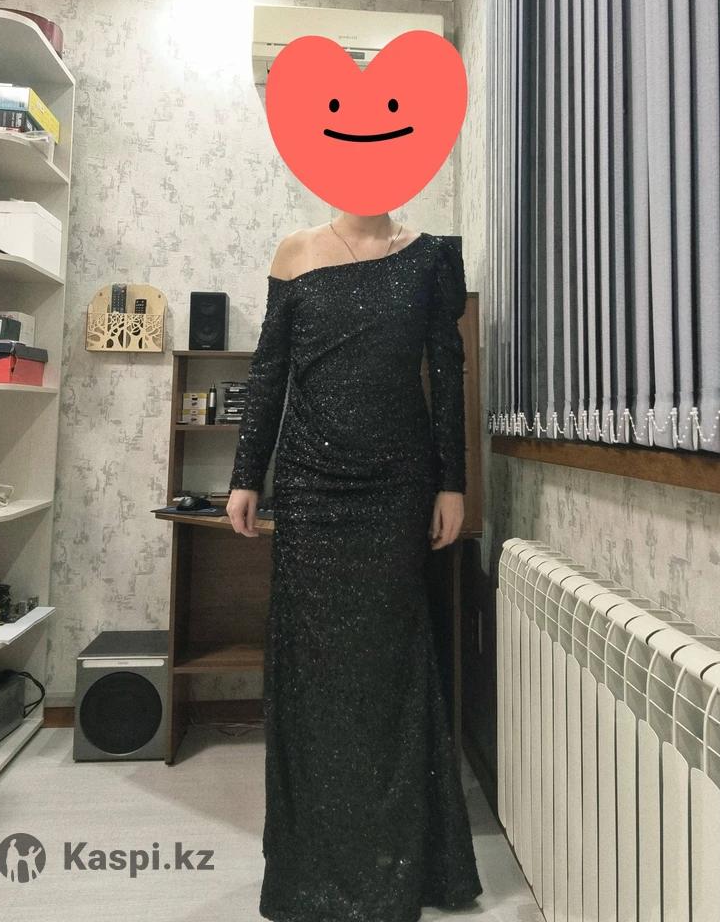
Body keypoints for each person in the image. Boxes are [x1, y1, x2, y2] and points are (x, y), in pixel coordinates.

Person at [226, 213, 483, 922]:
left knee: (388, 664)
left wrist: (452, 483)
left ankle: (399, 867)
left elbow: (447, 372)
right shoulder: (293, 251)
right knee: (312, 671)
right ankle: (312, 871)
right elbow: (270, 370)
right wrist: (246, 475)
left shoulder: (430, 258)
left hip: (397, 485)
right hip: (310, 484)